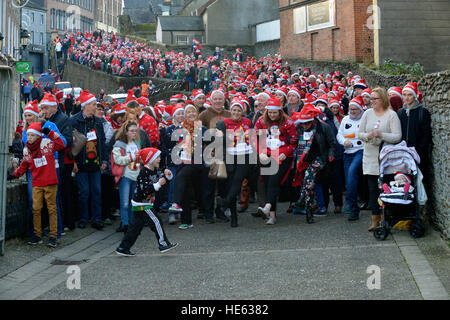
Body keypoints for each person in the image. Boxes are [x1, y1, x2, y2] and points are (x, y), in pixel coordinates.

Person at [8, 122, 65, 247]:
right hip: (37, 183)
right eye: (28, 135)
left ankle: (53, 236)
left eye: (32, 135)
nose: (29, 138)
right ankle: (37, 235)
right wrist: (15, 175)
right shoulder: (26, 149)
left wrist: (50, 133)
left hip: (50, 182)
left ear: (39, 136)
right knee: (36, 209)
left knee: (51, 209)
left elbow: (61, 145)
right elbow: (24, 165)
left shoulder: (46, 144)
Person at [115, 148, 178, 256]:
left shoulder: (156, 170)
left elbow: (163, 178)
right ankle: (163, 244)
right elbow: (145, 189)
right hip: (142, 204)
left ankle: (123, 247)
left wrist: (167, 175)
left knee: (135, 228)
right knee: (156, 221)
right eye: (157, 157)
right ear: (150, 159)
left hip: (144, 203)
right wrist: (158, 184)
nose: (159, 159)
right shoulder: (143, 172)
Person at [357, 87, 402, 231]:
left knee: (386, 189)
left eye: (375, 98)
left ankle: (387, 217)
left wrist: (381, 134)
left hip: (385, 158)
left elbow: (397, 136)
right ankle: (375, 219)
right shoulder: (367, 114)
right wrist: (368, 136)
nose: (372, 101)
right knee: (372, 190)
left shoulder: (392, 115)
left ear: (382, 99)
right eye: (371, 98)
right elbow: (360, 133)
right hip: (370, 157)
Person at [254, 97, 298, 225]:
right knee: (268, 183)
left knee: (274, 179)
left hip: (282, 156)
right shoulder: (261, 121)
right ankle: (272, 215)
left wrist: (286, 152)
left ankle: (267, 207)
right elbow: (256, 138)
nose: (272, 115)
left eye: (275, 112)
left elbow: (294, 141)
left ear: (280, 111)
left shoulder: (288, 122)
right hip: (267, 154)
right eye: (270, 112)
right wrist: (261, 152)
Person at [69, 90, 108, 230]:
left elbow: (102, 142)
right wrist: (72, 161)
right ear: (85, 106)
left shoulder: (98, 122)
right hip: (81, 164)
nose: (95, 107)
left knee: (97, 191)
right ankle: (83, 218)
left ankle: (96, 218)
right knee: (84, 192)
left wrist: (104, 160)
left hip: (96, 163)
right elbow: (70, 144)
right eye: (93, 104)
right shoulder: (74, 121)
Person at [291, 104, 336, 224]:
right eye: (303, 124)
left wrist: (331, 154)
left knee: (308, 174)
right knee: (308, 182)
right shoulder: (299, 128)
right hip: (304, 159)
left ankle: (301, 199)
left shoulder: (323, 127)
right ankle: (309, 212)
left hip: (321, 158)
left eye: (307, 123)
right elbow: (293, 141)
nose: (305, 126)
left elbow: (332, 143)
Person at [168, 104, 211, 227]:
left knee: (181, 177)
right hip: (182, 162)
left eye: (193, 112)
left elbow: (210, 142)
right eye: (188, 112)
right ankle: (186, 221)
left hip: (196, 162)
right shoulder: (179, 129)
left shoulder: (201, 128)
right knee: (185, 188)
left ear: (197, 114)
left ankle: (176, 203)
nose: (191, 114)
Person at [215, 97, 254, 227]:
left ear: (242, 111)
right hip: (230, 156)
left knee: (238, 180)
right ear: (230, 110)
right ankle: (234, 217)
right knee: (231, 185)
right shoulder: (223, 123)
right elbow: (218, 140)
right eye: (234, 110)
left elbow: (253, 138)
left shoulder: (248, 121)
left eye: (239, 110)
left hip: (245, 155)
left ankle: (224, 203)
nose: (236, 112)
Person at [336, 96, 365, 221]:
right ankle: (354, 208)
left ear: (360, 109)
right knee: (349, 180)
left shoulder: (365, 119)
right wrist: (344, 142)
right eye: (350, 109)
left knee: (353, 171)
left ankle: (350, 202)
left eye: (355, 109)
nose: (352, 111)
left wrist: (353, 137)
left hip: (360, 150)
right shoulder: (345, 119)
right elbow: (339, 134)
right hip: (347, 153)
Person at [112, 122, 141, 233]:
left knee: (132, 202)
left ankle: (131, 223)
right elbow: (118, 160)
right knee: (124, 203)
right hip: (125, 176)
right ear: (126, 132)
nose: (134, 133)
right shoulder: (119, 144)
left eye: (135, 131)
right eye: (132, 131)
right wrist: (132, 156)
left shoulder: (137, 143)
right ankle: (125, 224)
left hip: (136, 175)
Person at [397, 82, 432, 176]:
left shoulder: (422, 112)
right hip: (403, 153)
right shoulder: (400, 112)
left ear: (415, 96)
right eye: (404, 95)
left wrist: (419, 150)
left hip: (419, 154)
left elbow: (426, 134)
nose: (406, 97)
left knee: (419, 179)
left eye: (410, 95)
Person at [160, 104, 185, 224]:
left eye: (182, 113)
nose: (180, 116)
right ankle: (172, 212)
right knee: (172, 186)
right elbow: (166, 145)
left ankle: (180, 211)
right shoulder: (168, 129)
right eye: (178, 113)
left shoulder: (187, 128)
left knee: (182, 187)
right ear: (174, 116)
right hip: (172, 162)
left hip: (185, 162)